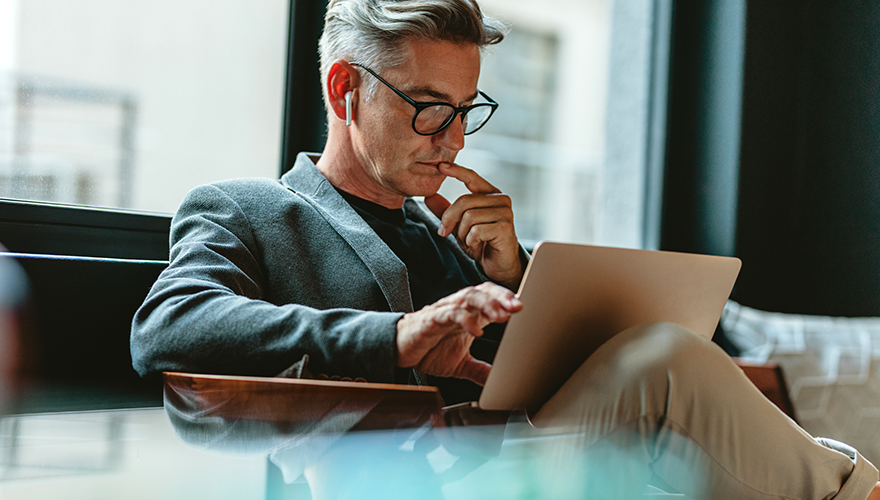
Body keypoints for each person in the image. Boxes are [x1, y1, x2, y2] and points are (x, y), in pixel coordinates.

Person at [131, 0, 880, 497]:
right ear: (343, 89)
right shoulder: (248, 209)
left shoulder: (450, 235)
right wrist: (396, 337)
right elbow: (168, 327)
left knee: (665, 370)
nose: (453, 139)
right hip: (399, 480)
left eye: (466, 111)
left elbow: (532, 380)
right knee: (665, 366)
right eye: (429, 110)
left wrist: (519, 275)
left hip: (513, 461)